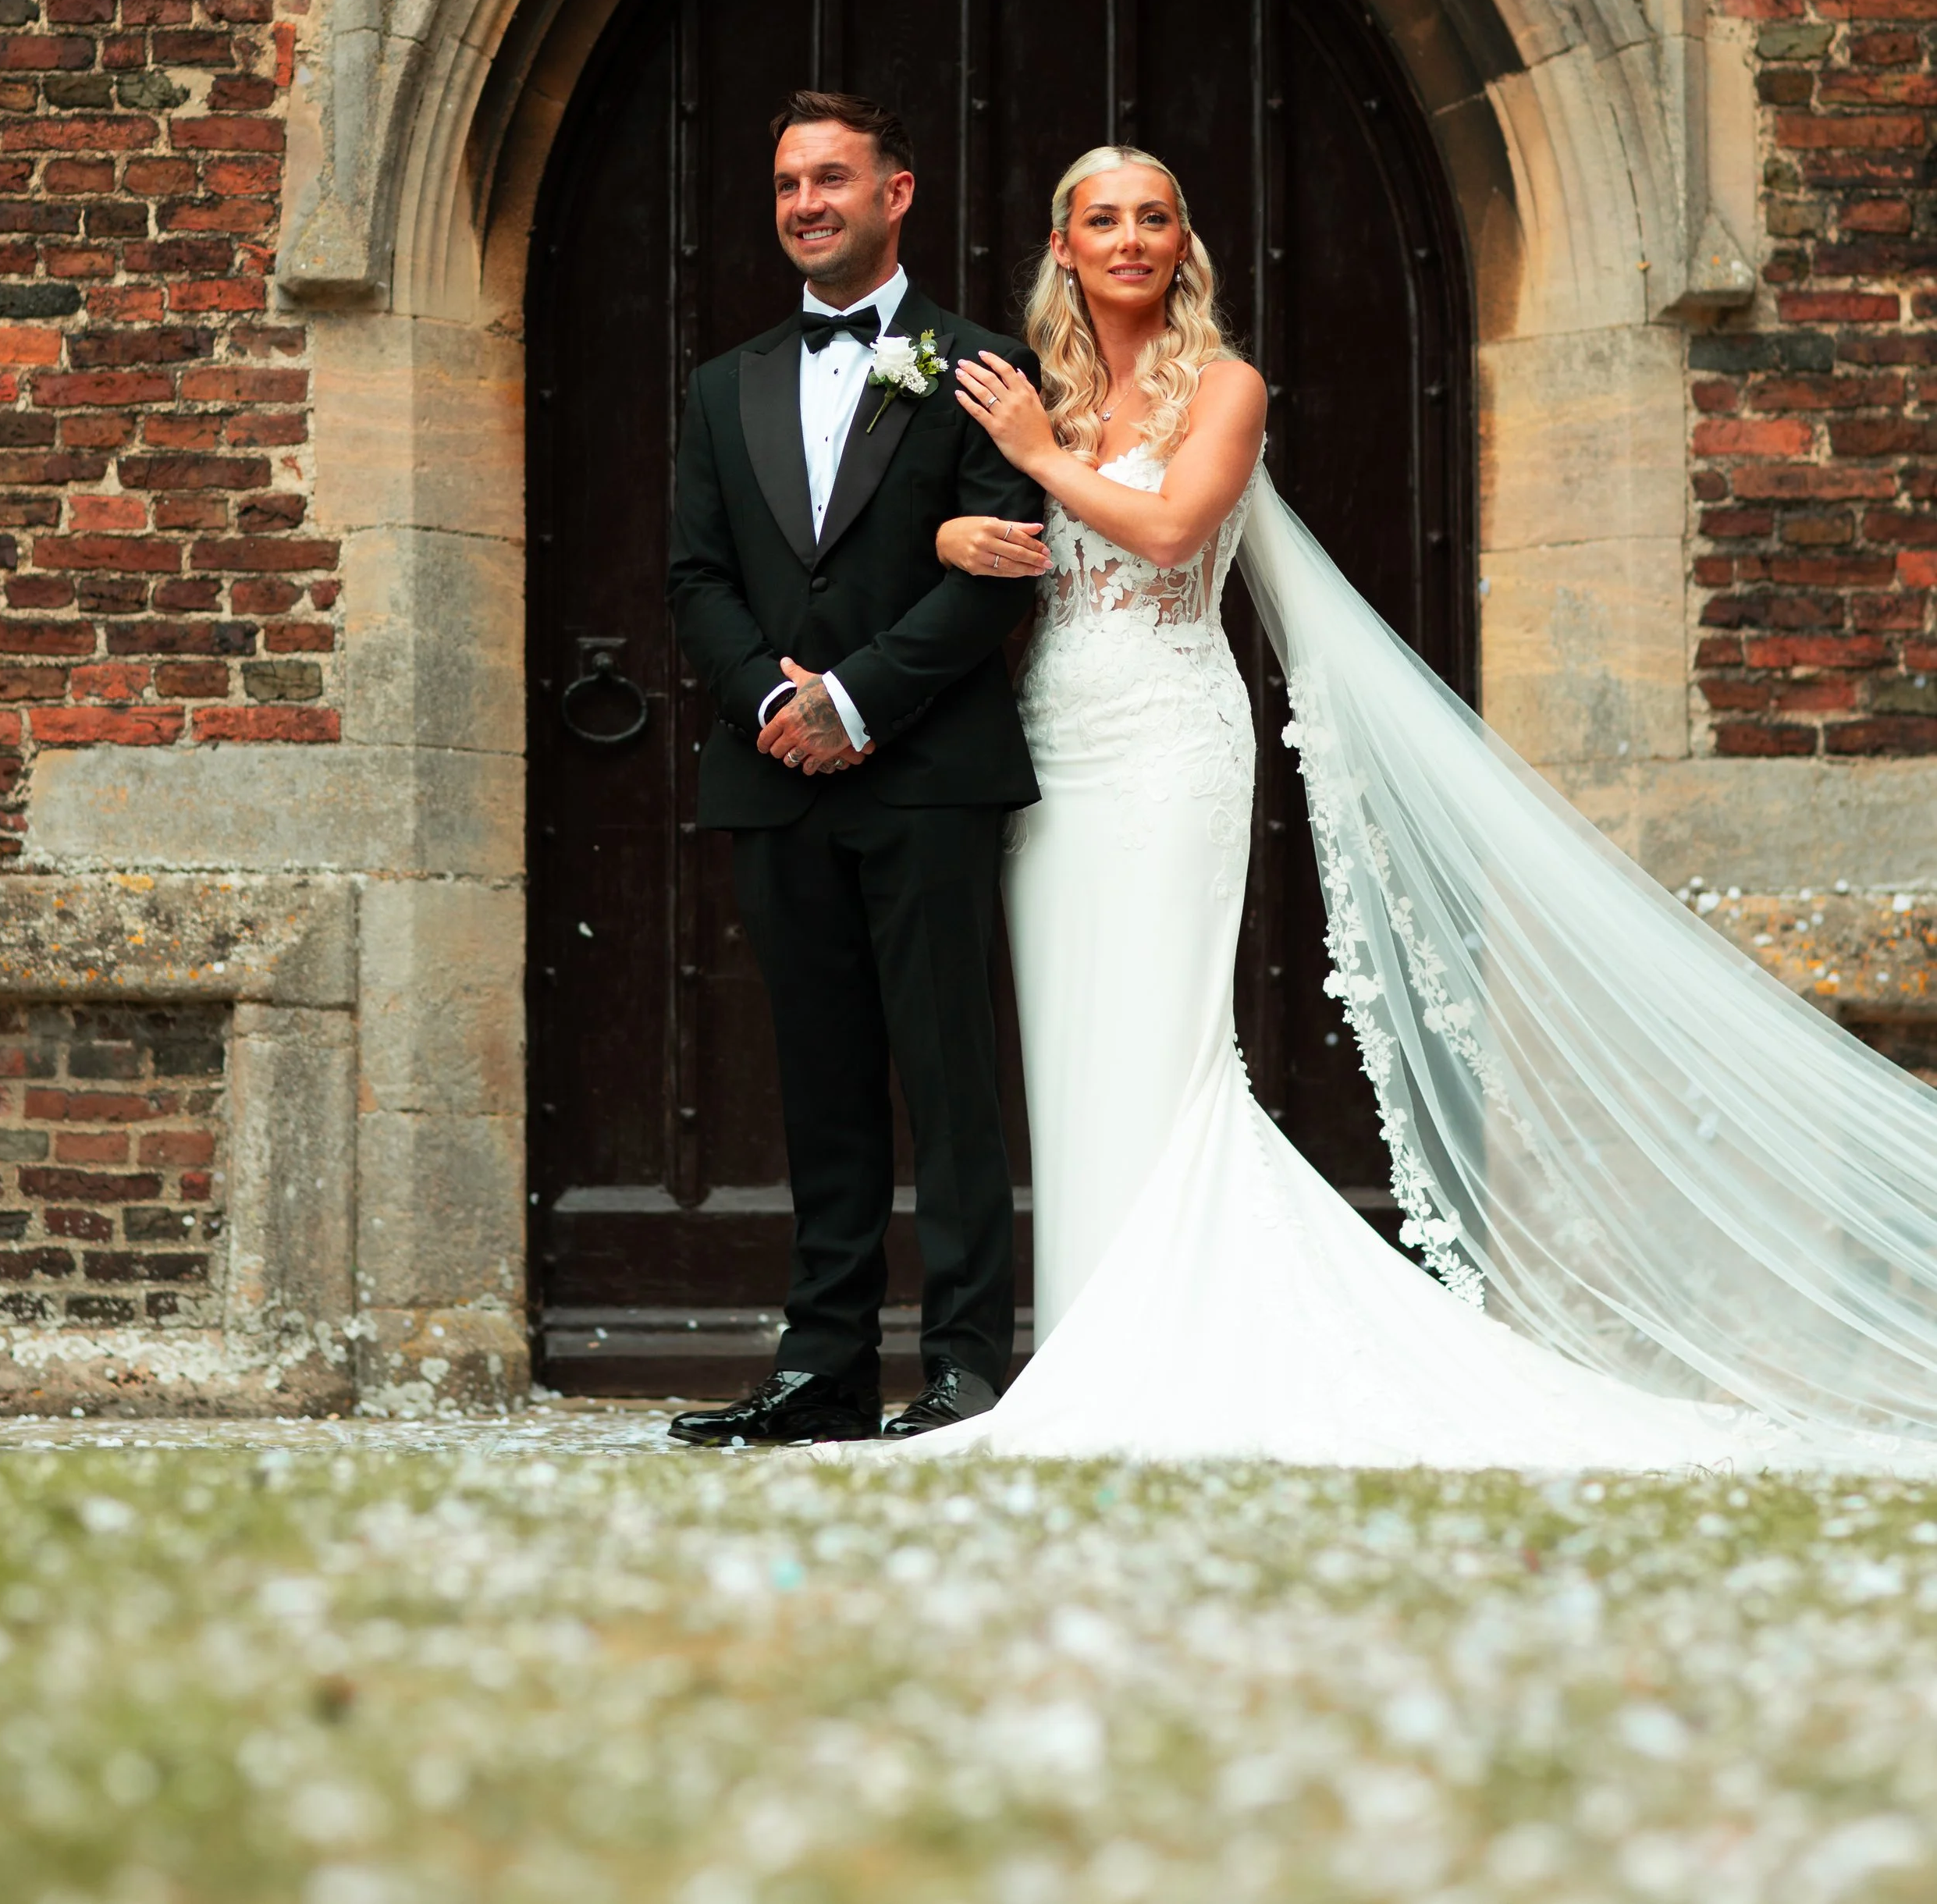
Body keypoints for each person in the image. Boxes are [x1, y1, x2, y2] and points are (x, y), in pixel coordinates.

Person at [905, 144, 1937, 1469]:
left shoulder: (1222, 386)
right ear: (1063, 244)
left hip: (1171, 747)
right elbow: (972, 531)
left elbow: (1169, 536)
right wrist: (952, 532)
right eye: (1102, 219)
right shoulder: (1029, 393)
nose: (1130, 239)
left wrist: (1042, 461)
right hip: (1054, 751)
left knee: (1161, 1048)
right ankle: (1089, 1347)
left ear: (1183, 240)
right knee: (1068, 1037)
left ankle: (1171, 1359)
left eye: (1155, 216)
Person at [664, 92, 1043, 1448]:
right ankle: (820, 1371)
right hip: (772, 774)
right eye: (784, 185)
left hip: (924, 770)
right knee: (819, 1085)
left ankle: (965, 1370)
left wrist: (856, 699)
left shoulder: (981, 368)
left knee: (948, 1082)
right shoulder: (727, 384)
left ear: (898, 194)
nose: (805, 203)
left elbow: (1002, 563)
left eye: (832, 178)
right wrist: (776, 694)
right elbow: (697, 577)